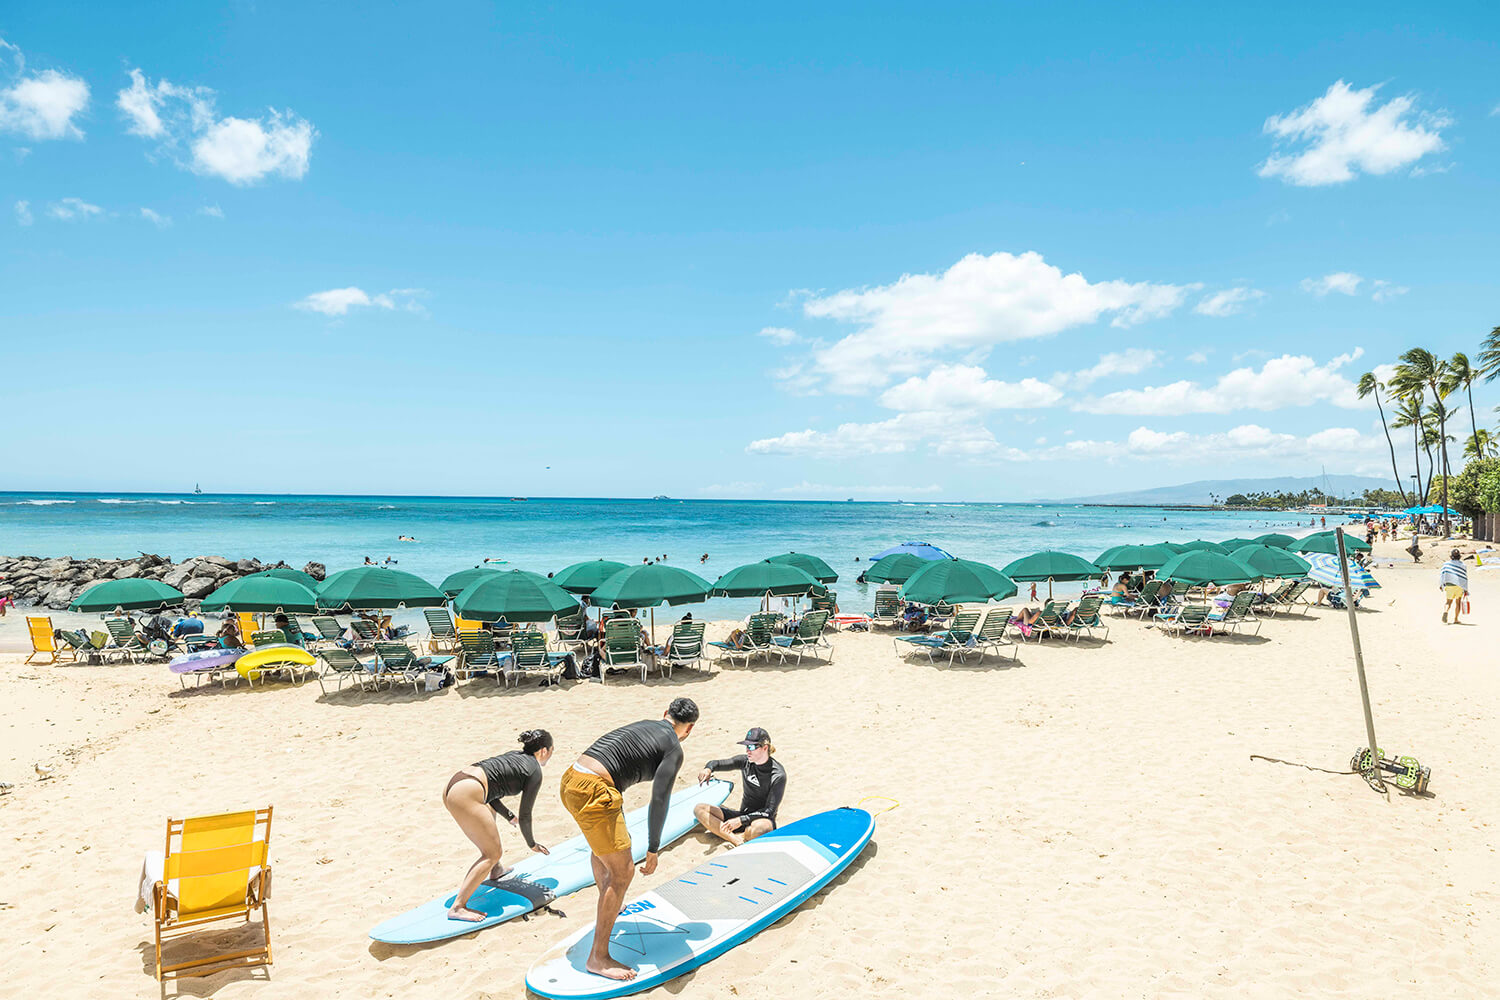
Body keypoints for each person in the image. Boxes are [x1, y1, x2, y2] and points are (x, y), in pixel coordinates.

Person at [560, 699, 698, 982]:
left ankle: (609, 902)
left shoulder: (647, 725)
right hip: (595, 790)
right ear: (689, 729)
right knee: (623, 872)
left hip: (571, 778)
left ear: (665, 715)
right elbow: (659, 800)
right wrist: (653, 848)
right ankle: (598, 957)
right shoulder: (674, 748)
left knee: (604, 851)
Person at [443, 730, 553, 922]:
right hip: (467, 793)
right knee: (492, 853)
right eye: (552, 750)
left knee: (490, 826)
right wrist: (531, 844)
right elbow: (526, 815)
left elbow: (492, 792)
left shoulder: (515, 756)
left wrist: (508, 816)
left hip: (456, 783)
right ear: (544, 751)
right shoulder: (535, 771)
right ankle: (458, 907)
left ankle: (496, 870)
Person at [694, 727, 786, 847]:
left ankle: (733, 834)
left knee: (760, 830)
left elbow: (769, 811)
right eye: (746, 746)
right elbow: (717, 763)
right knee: (699, 809)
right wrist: (708, 769)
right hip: (742, 815)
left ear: (765, 748)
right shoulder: (744, 762)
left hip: (761, 819)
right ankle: (736, 840)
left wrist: (740, 820)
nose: (748, 750)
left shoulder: (778, 774)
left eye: (752, 747)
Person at [1439, 548, 1469, 624]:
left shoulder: (1446, 564)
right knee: (1458, 602)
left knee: (1448, 602)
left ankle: (1445, 611)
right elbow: (1464, 577)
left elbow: (1443, 574)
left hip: (1449, 585)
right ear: (1459, 556)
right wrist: (1465, 589)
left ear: (1451, 556)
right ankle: (1456, 619)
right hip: (1459, 585)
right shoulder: (1463, 565)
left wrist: (1441, 584)